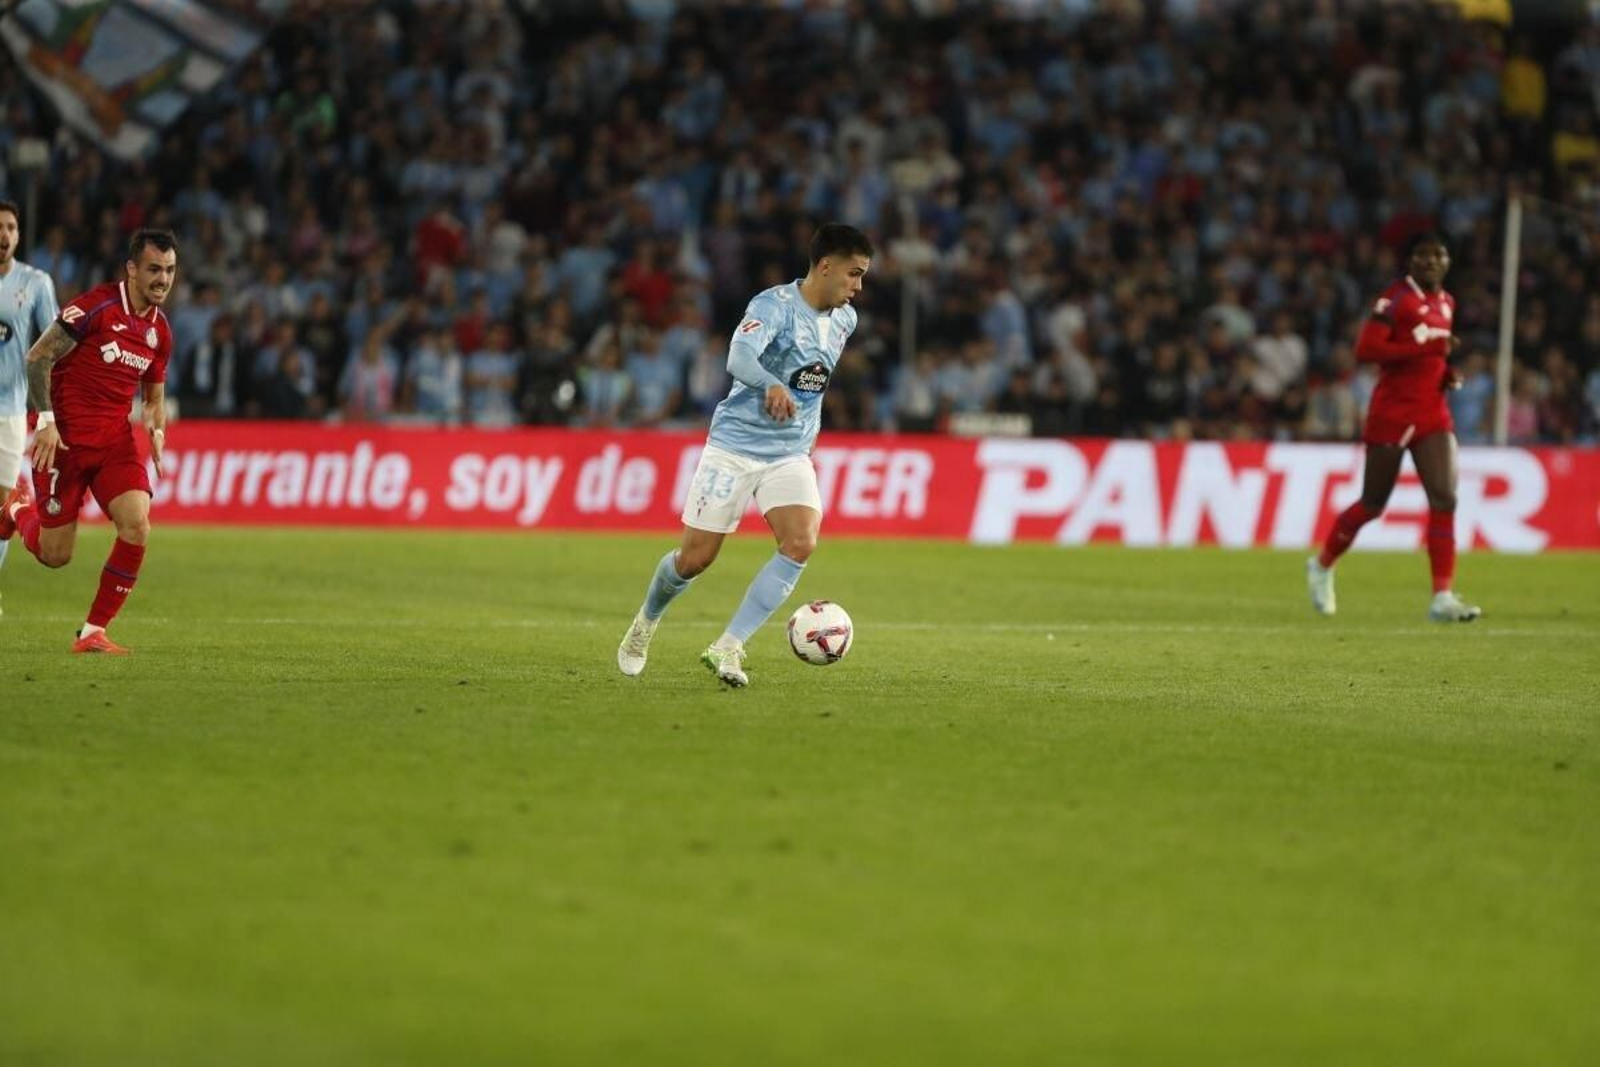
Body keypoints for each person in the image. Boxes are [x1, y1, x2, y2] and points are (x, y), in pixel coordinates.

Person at [616, 223, 873, 687]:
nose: (858, 287)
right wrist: (770, 383)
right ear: (826, 266)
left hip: (789, 453)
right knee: (694, 559)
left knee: (801, 542)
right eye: (853, 274)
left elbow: (813, 382)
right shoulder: (772, 306)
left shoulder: (845, 321)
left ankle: (728, 647)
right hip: (733, 449)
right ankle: (644, 624)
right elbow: (737, 359)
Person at [0, 229, 177, 653]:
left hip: (114, 441)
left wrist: (155, 428)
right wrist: (45, 421)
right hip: (63, 439)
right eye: (154, 269)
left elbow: (152, 398)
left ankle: (93, 631)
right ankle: (16, 506)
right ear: (131, 269)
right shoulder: (94, 307)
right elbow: (38, 356)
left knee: (137, 525)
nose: (163, 280)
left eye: (170, 270)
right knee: (55, 554)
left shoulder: (160, 332)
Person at [1306, 233, 1481, 622]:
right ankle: (1321, 565)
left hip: (1433, 412)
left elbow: (1432, 359)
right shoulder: (1395, 298)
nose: (1431, 261)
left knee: (1445, 498)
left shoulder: (1447, 302)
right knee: (1373, 503)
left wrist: (1446, 373)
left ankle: (1442, 597)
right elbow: (1367, 350)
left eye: (1439, 254)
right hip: (1392, 413)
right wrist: (1427, 351)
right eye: (1423, 254)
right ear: (1412, 261)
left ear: (1448, 261)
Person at [0, 199, 61, 618]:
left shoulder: (35, 283)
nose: (3, 234)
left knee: (2, 506)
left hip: (8, 412)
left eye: (9, 227)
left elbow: (55, 347)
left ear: (19, 235)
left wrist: (49, 416)